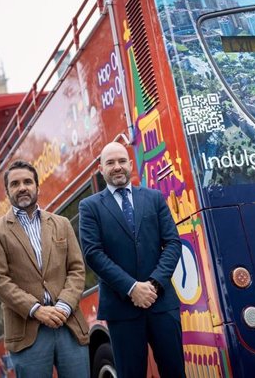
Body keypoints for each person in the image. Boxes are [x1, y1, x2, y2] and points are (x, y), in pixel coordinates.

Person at [79, 142, 185, 378]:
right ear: (101, 168)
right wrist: (132, 288)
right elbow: (93, 254)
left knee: (175, 371)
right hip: (121, 309)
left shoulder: (154, 198)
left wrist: (153, 285)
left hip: (162, 303)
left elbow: (173, 243)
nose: (117, 167)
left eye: (121, 161)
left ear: (130, 164)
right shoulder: (89, 207)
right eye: (110, 163)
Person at [0, 160, 89, 377]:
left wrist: (64, 306)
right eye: (15, 184)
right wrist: (37, 309)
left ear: (37, 187)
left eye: (27, 182)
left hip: (68, 323)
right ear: (8, 191)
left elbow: (77, 269)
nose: (22, 187)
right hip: (27, 331)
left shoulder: (61, 224)